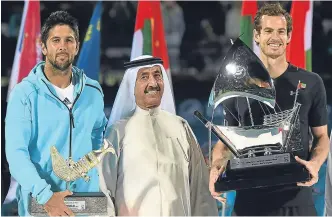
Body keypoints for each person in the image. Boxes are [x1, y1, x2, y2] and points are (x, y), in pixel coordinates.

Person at [209, 3, 330, 216]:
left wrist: (315, 163)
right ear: (256, 35)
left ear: (289, 36)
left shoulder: (312, 82)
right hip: (249, 203)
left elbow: (321, 137)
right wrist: (217, 166)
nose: (275, 37)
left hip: (297, 201)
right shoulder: (237, 87)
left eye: (281, 31)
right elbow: (225, 142)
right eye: (268, 31)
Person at [5, 11, 107, 216]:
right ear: (43, 46)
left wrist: (93, 180)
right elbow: (16, 154)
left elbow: (98, 138)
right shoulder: (25, 94)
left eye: (69, 40)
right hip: (42, 203)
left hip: (87, 204)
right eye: (55, 40)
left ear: (77, 46)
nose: (62, 46)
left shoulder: (93, 91)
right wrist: (46, 196)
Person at [98, 55, 218, 216]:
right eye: (144, 77)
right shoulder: (118, 133)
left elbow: (200, 192)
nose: (153, 83)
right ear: (131, 85)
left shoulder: (181, 128)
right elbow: (101, 190)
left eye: (157, 75)